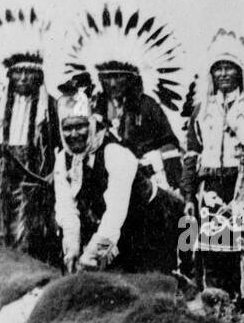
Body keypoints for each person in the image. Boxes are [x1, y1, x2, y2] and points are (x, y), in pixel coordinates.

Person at [181, 30, 244, 299]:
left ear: (239, 72)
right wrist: (188, 192)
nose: (223, 74)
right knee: (213, 253)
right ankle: (217, 307)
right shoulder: (201, 110)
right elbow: (191, 154)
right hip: (211, 188)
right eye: (218, 69)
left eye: (229, 68)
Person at [52, 86, 181, 276]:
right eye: (67, 128)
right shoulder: (63, 160)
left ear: (91, 124)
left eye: (80, 126)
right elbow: (66, 208)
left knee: (147, 285)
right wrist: (72, 248)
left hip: (153, 221)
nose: (74, 134)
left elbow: (115, 213)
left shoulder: (115, 153)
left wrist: (96, 253)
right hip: (122, 228)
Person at [69, 6, 186, 194]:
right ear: (99, 79)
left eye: (119, 76)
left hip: (145, 181)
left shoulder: (147, 105)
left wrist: (164, 174)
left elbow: (168, 144)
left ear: (132, 78)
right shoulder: (93, 107)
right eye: (108, 77)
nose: (113, 83)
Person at [0, 11, 63, 261]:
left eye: (29, 72)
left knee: (35, 242)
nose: (23, 77)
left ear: (38, 76)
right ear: (10, 75)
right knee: (1, 242)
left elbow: (63, 148)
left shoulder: (51, 108)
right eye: (18, 72)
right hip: (3, 185)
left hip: (38, 189)